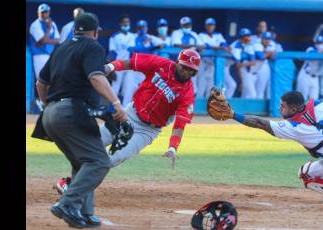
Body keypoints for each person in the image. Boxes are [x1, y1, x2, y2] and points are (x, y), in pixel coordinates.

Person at [55, 49, 200, 198]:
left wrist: (173, 147)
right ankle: (75, 183)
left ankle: (71, 185)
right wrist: (110, 67)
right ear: (177, 62)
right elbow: (131, 63)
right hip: (129, 114)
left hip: (147, 131)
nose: (186, 71)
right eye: (184, 66)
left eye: (190, 70)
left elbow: (180, 125)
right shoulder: (161, 64)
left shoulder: (187, 93)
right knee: (93, 141)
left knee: (111, 159)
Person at [35, 12, 127, 228]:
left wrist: (51, 108)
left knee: (82, 162)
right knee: (99, 161)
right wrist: (116, 104)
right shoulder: (93, 46)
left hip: (50, 115)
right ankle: (67, 204)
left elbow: (41, 83)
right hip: (73, 112)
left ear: (75, 29)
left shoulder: (61, 47)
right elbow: (96, 77)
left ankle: (85, 213)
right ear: (95, 32)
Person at [216, 90, 323, 203]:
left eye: (283, 106)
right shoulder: (321, 105)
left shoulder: (292, 126)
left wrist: (233, 115)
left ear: (295, 108)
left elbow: (259, 123)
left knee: (304, 174)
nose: (280, 108)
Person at [296, 35, 323, 100]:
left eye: (321, 43)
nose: (319, 45)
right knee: (301, 99)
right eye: (318, 43)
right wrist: (322, 52)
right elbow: (312, 53)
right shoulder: (310, 49)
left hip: (315, 78)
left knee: (314, 100)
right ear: (315, 44)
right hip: (305, 76)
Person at [171, 16, 205, 96]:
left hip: (191, 64)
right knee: (177, 82)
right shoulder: (176, 33)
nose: (187, 27)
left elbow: (202, 46)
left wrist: (194, 47)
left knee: (193, 83)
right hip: (179, 63)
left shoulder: (193, 34)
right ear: (181, 25)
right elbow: (176, 44)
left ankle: (191, 102)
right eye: (185, 25)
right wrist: (192, 47)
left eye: (188, 25)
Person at [107, 15, 136, 107]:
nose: (126, 24)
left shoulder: (133, 36)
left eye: (128, 22)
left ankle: (125, 111)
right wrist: (111, 68)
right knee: (115, 87)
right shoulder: (115, 36)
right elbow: (112, 52)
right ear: (120, 24)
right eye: (124, 22)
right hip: (118, 64)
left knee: (128, 88)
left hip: (130, 65)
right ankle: (112, 109)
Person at [197, 18, 229, 98]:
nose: (210, 27)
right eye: (208, 25)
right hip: (203, 63)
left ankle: (207, 109)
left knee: (210, 88)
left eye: (212, 25)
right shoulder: (201, 35)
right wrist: (218, 47)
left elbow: (224, 44)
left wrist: (221, 47)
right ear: (206, 26)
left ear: (214, 26)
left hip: (213, 64)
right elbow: (205, 46)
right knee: (201, 87)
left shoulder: (218, 35)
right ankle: (196, 109)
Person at [253, 31, 283, 99]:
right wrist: (270, 53)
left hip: (265, 67)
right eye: (266, 39)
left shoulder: (272, 44)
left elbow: (274, 55)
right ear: (262, 39)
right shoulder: (257, 44)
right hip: (255, 68)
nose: (267, 41)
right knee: (254, 91)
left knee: (263, 90)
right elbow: (261, 56)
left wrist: (267, 53)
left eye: (269, 39)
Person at [229, 28, 256, 98]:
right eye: (245, 36)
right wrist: (241, 81)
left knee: (246, 92)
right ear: (241, 38)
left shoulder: (248, 45)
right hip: (225, 66)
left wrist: (244, 64)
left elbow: (253, 62)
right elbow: (238, 66)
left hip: (235, 67)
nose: (248, 38)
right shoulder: (236, 46)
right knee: (231, 86)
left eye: (248, 36)